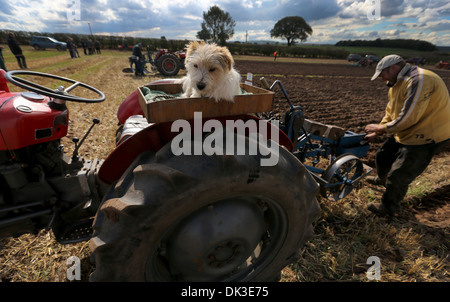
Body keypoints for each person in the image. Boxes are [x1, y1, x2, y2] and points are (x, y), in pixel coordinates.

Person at [364, 54, 450, 217]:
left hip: (427, 134)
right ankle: (382, 179)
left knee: (399, 175)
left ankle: (388, 209)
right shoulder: (396, 83)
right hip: (407, 129)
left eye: (382, 74)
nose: (382, 78)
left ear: (393, 68)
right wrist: (378, 130)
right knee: (383, 156)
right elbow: (391, 111)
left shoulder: (419, 80)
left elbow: (409, 117)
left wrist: (382, 128)